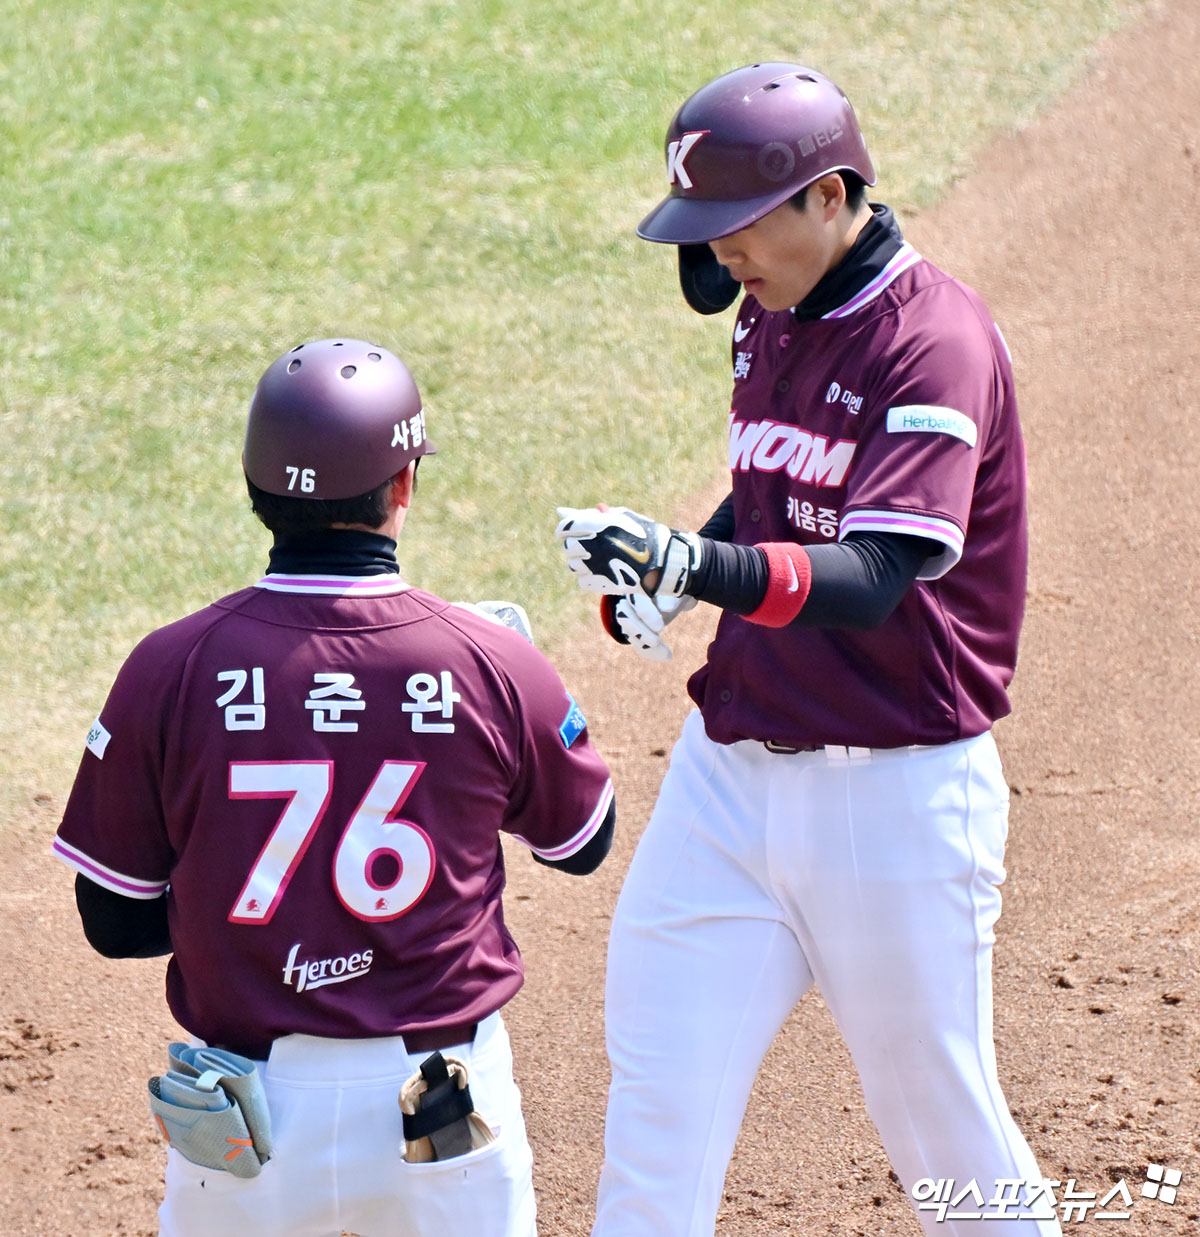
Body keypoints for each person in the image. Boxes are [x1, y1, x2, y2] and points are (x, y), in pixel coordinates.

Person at [553, 64, 1062, 1236]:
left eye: (739, 221)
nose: (721, 251)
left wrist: (695, 565)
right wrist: (673, 579)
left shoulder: (933, 344)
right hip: (726, 786)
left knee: (945, 1134)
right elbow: (775, 487)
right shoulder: (771, 309)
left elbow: (875, 573)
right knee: (657, 1112)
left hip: (894, 797)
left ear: (830, 197)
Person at [54, 336, 615, 1237]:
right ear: (404, 484)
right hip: (444, 1109)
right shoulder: (487, 660)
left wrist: (255, 919)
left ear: (255, 489)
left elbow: (113, 921)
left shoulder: (171, 665)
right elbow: (583, 844)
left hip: (245, 1119)